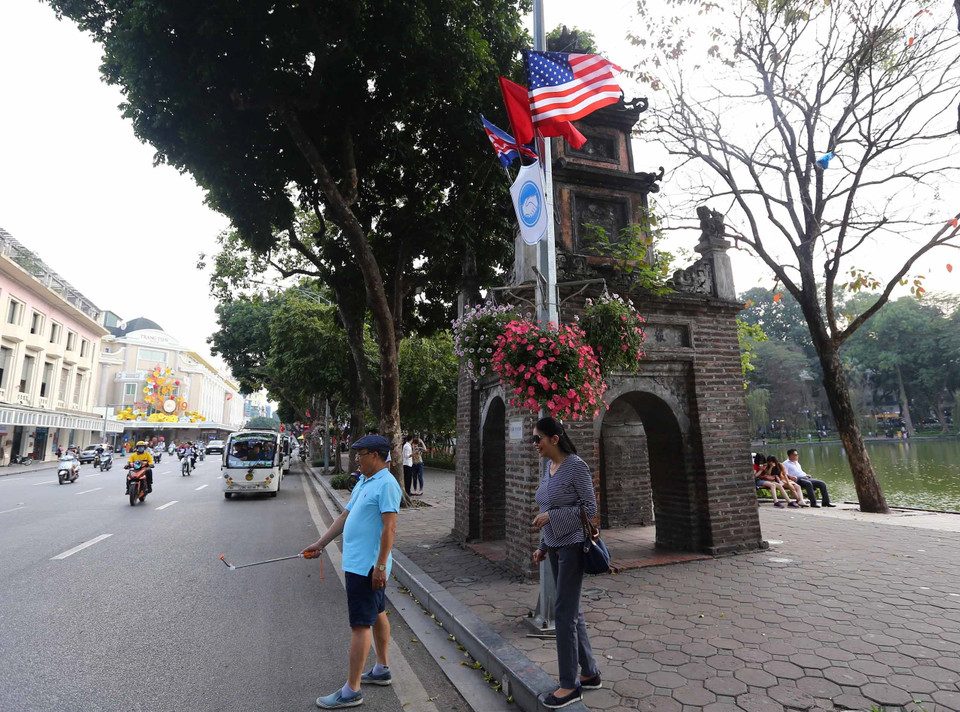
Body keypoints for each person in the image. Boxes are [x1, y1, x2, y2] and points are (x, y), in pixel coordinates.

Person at [301, 435, 402, 709]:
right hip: (360, 564)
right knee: (378, 613)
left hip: (367, 567)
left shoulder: (387, 485)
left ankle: (352, 690)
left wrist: (380, 566)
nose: (356, 458)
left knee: (360, 625)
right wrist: (321, 543)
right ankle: (381, 669)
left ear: (377, 456)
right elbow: (345, 516)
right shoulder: (364, 482)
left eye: (361, 453)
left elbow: (389, 529)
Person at [531, 417, 602, 709]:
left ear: (555, 439)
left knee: (563, 614)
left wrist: (552, 519)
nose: (535, 443)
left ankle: (569, 685)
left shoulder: (576, 466)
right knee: (573, 612)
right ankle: (590, 673)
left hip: (573, 546)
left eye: (538, 438)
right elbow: (547, 506)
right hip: (556, 547)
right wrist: (543, 546)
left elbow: (590, 508)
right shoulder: (548, 467)